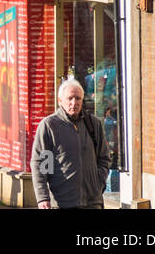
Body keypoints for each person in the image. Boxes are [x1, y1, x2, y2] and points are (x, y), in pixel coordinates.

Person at [32, 77, 109, 209]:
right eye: (70, 98)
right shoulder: (49, 126)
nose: (74, 103)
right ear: (60, 101)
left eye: (78, 98)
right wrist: (43, 197)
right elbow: (41, 165)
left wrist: (98, 183)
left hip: (92, 201)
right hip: (63, 201)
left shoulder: (93, 124)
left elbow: (104, 158)